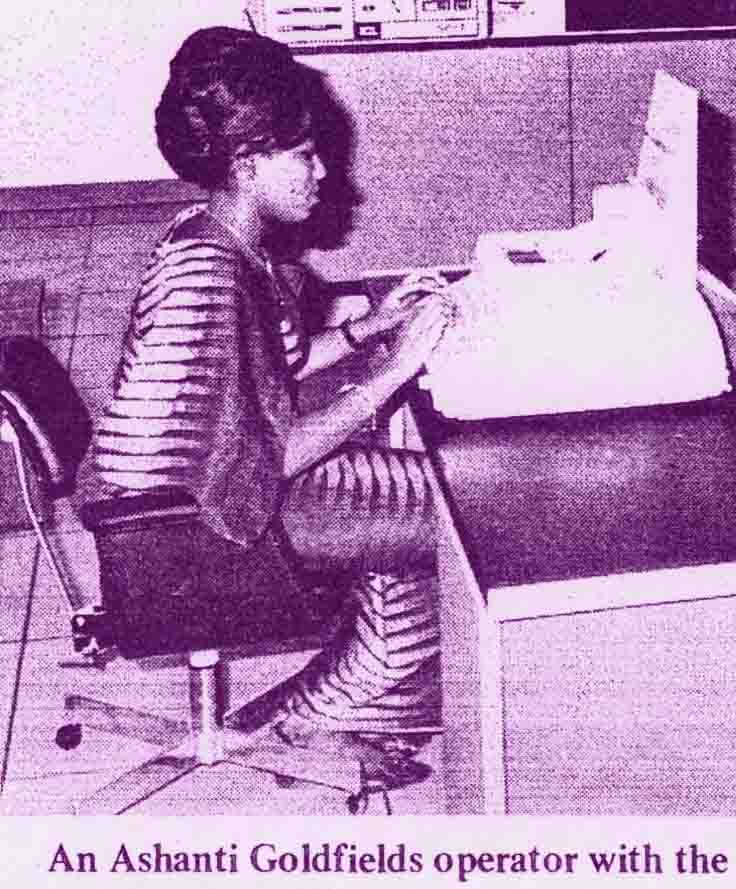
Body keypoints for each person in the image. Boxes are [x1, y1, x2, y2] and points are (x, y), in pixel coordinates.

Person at [83, 26, 457, 781]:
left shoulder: (216, 234)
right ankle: (321, 716)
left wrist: (366, 330)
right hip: (189, 532)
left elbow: (269, 372)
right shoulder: (212, 274)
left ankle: (367, 672)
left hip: (194, 499)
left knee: (417, 486)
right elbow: (264, 453)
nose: (324, 173)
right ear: (250, 166)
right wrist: (392, 374)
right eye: (306, 156)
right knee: (458, 514)